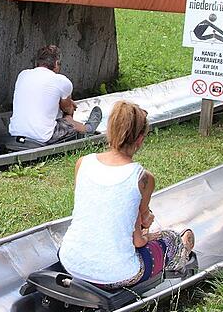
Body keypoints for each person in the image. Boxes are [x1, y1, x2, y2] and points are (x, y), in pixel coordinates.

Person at [58, 101, 195, 288]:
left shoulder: (83, 163)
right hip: (117, 274)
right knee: (170, 238)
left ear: (109, 130)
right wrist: (146, 230)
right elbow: (137, 241)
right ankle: (182, 250)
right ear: (140, 139)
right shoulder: (143, 179)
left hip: (70, 261)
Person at [9, 45, 102, 145]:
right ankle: (87, 129)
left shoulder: (23, 74)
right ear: (57, 63)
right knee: (67, 120)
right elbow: (67, 110)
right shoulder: (61, 81)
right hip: (43, 136)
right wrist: (69, 106)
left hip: (15, 132)